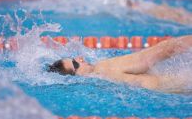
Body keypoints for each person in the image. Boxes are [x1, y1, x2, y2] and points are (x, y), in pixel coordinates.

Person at [47, 35, 192, 92]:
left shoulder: (98, 86)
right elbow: (165, 49)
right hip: (183, 82)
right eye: (75, 64)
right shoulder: (102, 68)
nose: (80, 59)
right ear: (75, 77)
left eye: (74, 58)